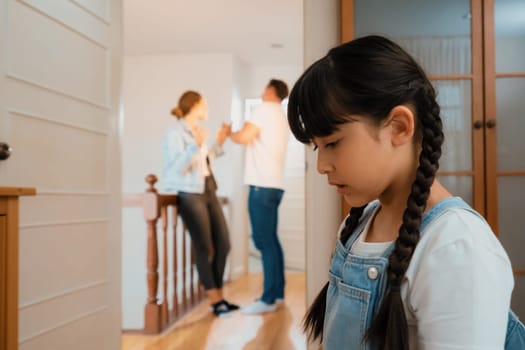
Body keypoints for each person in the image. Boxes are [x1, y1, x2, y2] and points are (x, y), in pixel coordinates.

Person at [287, 35, 524, 349]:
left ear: (399, 126)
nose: (321, 165)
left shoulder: (455, 246)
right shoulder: (355, 226)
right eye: (317, 147)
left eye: (332, 143)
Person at [162, 90, 238, 317]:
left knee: (223, 244)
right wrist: (195, 145)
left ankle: (220, 297)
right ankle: (216, 301)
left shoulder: (197, 132)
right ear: (193, 106)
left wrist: (218, 142)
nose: (208, 109)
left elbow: (204, 162)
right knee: (204, 248)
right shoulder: (174, 133)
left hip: (208, 188)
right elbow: (176, 169)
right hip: (189, 194)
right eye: (204, 105)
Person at [229, 79, 290, 315]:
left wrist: (228, 133)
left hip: (260, 187)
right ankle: (277, 294)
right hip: (274, 186)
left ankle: (267, 299)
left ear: (271, 91)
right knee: (271, 241)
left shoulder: (264, 110)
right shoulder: (281, 116)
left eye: (264, 88)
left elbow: (244, 137)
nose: (262, 91)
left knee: (264, 242)